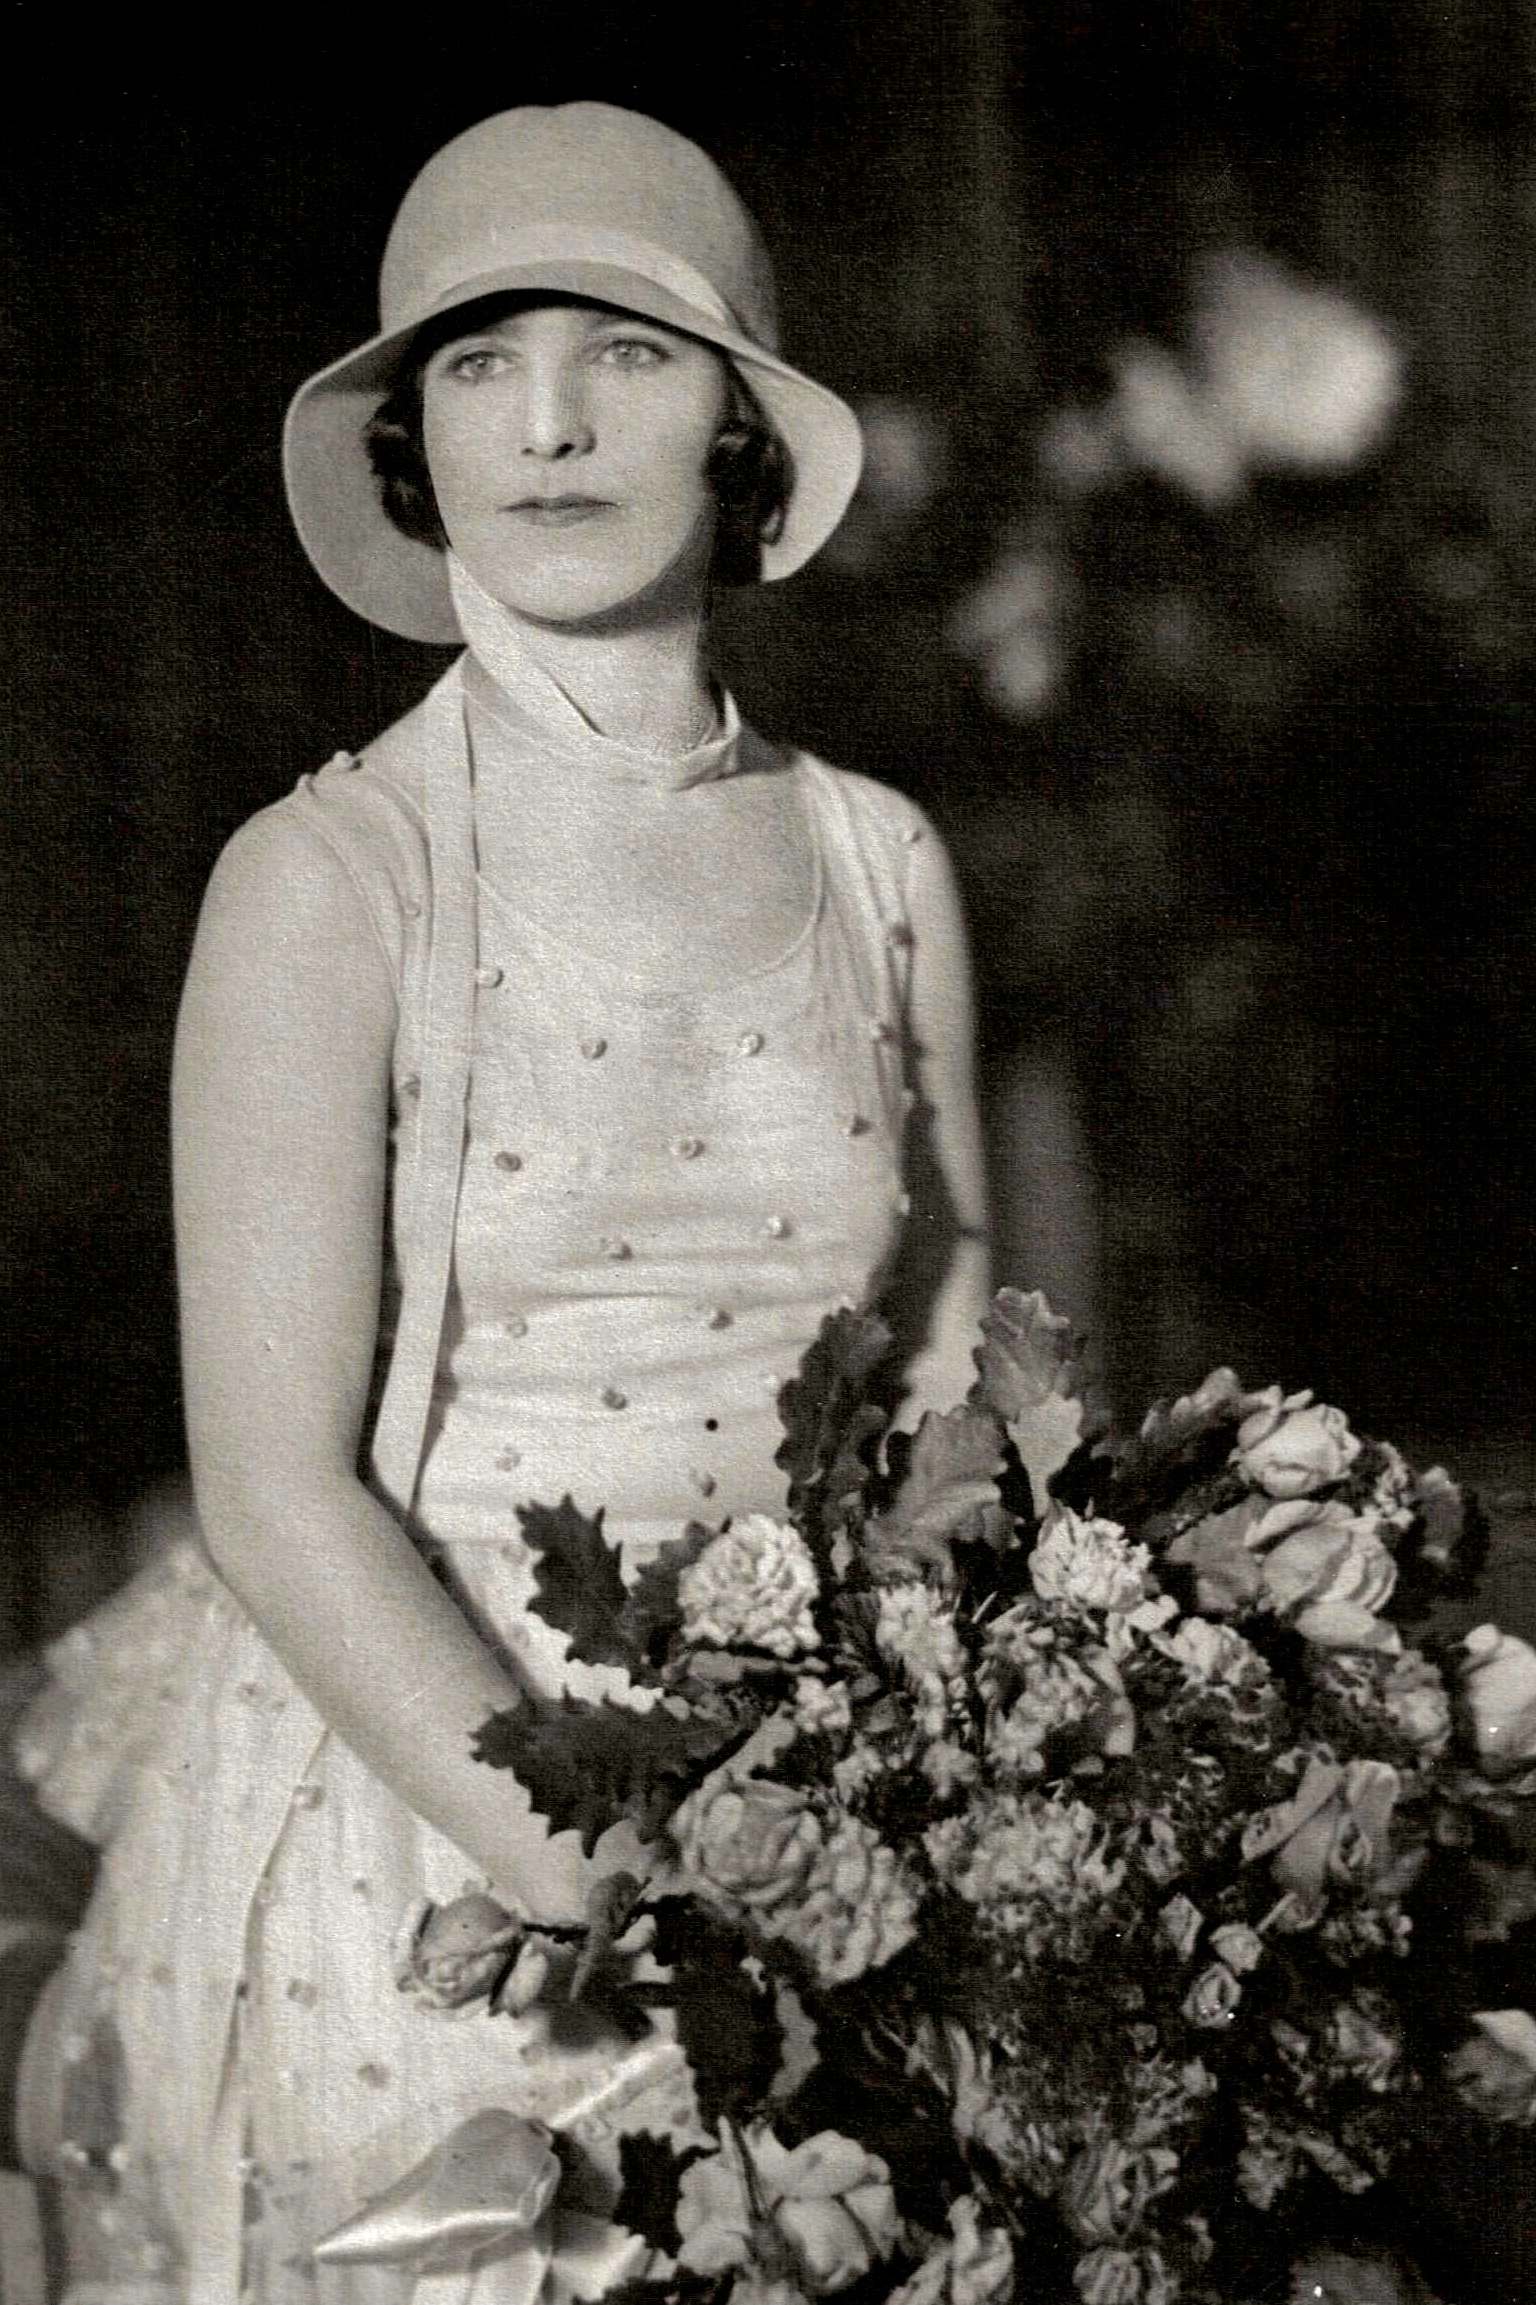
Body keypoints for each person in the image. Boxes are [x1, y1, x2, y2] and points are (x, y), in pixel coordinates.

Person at [11, 102, 990, 2301]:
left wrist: (917, 1797)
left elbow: (956, 1356)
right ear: (410, 439)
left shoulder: (879, 859)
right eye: (473, 361)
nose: (546, 421)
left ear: (743, 420)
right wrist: (610, 1870)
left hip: (850, 1819)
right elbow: (271, 1490)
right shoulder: (333, 877)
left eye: (626, 353)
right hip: (452, 1850)